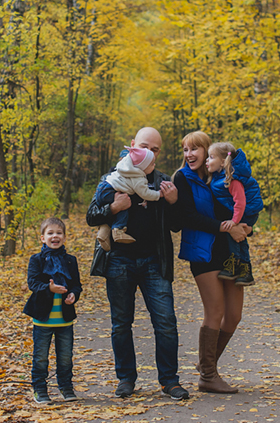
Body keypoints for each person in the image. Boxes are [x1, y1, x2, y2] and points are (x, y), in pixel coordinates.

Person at [86, 127, 190, 401]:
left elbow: (178, 225)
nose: (150, 152)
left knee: (166, 322)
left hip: (155, 260)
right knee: (121, 323)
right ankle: (126, 380)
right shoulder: (113, 177)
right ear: (133, 145)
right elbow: (91, 216)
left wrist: (173, 201)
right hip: (119, 259)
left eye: (155, 149)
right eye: (145, 145)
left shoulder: (165, 182)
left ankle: (169, 381)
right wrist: (114, 208)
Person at [173, 131, 251, 394]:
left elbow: (243, 203)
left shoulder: (223, 176)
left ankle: (207, 365)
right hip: (202, 252)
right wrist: (225, 227)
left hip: (232, 252)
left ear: (209, 151)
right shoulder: (182, 178)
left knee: (234, 316)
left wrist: (247, 227)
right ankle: (208, 375)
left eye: (195, 148)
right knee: (215, 312)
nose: (189, 154)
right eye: (185, 149)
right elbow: (187, 217)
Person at [23, 217, 82, 404]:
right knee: (40, 357)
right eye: (50, 233)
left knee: (65, 357)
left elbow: (76, 285)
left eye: (58, 233)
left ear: (64, 237)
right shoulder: (37, 260)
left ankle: (66, 388)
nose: (54, 236)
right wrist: (49, 288)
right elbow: (32, 283)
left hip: (64, 319)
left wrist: (73, 294)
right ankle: (40, 390)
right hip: (43, 319)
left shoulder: (70, 261)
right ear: (42, 238)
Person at [206, 142, 264, 286]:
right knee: (237, 236)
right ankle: (242, 268)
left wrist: (235, 221)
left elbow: (240, 202)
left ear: (222, 162)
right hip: (240, 211)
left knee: (234, 235)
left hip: (246, 211)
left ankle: (237, 265)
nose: (207, 160)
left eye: (211, 157)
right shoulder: (219, 177)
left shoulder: (232, 179)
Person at [95, 146, 163, 249]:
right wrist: (159, 194)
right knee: (124, 205)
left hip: (103, 189)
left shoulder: (125, 166)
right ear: (142, 167)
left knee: (116, 207)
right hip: (110, 191)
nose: (154, 165)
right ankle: (118, 230)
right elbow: (145, 193)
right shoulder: (138, 177)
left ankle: (103, 231)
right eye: (151, 164)